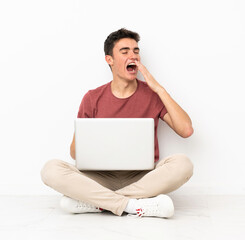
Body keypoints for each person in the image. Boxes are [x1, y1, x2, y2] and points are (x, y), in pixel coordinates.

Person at [40, 28, 194, 218]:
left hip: (142, 177)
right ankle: (132, 205)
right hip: (100, 178)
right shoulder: (92, 98)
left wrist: (159, 89)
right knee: (51, 169)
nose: (133, 56)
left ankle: (97, 202)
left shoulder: (152, 95)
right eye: (125, 51)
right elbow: (74, 153)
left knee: (183, 164)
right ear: (109, 60)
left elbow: (186, 130)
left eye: (136, 51)